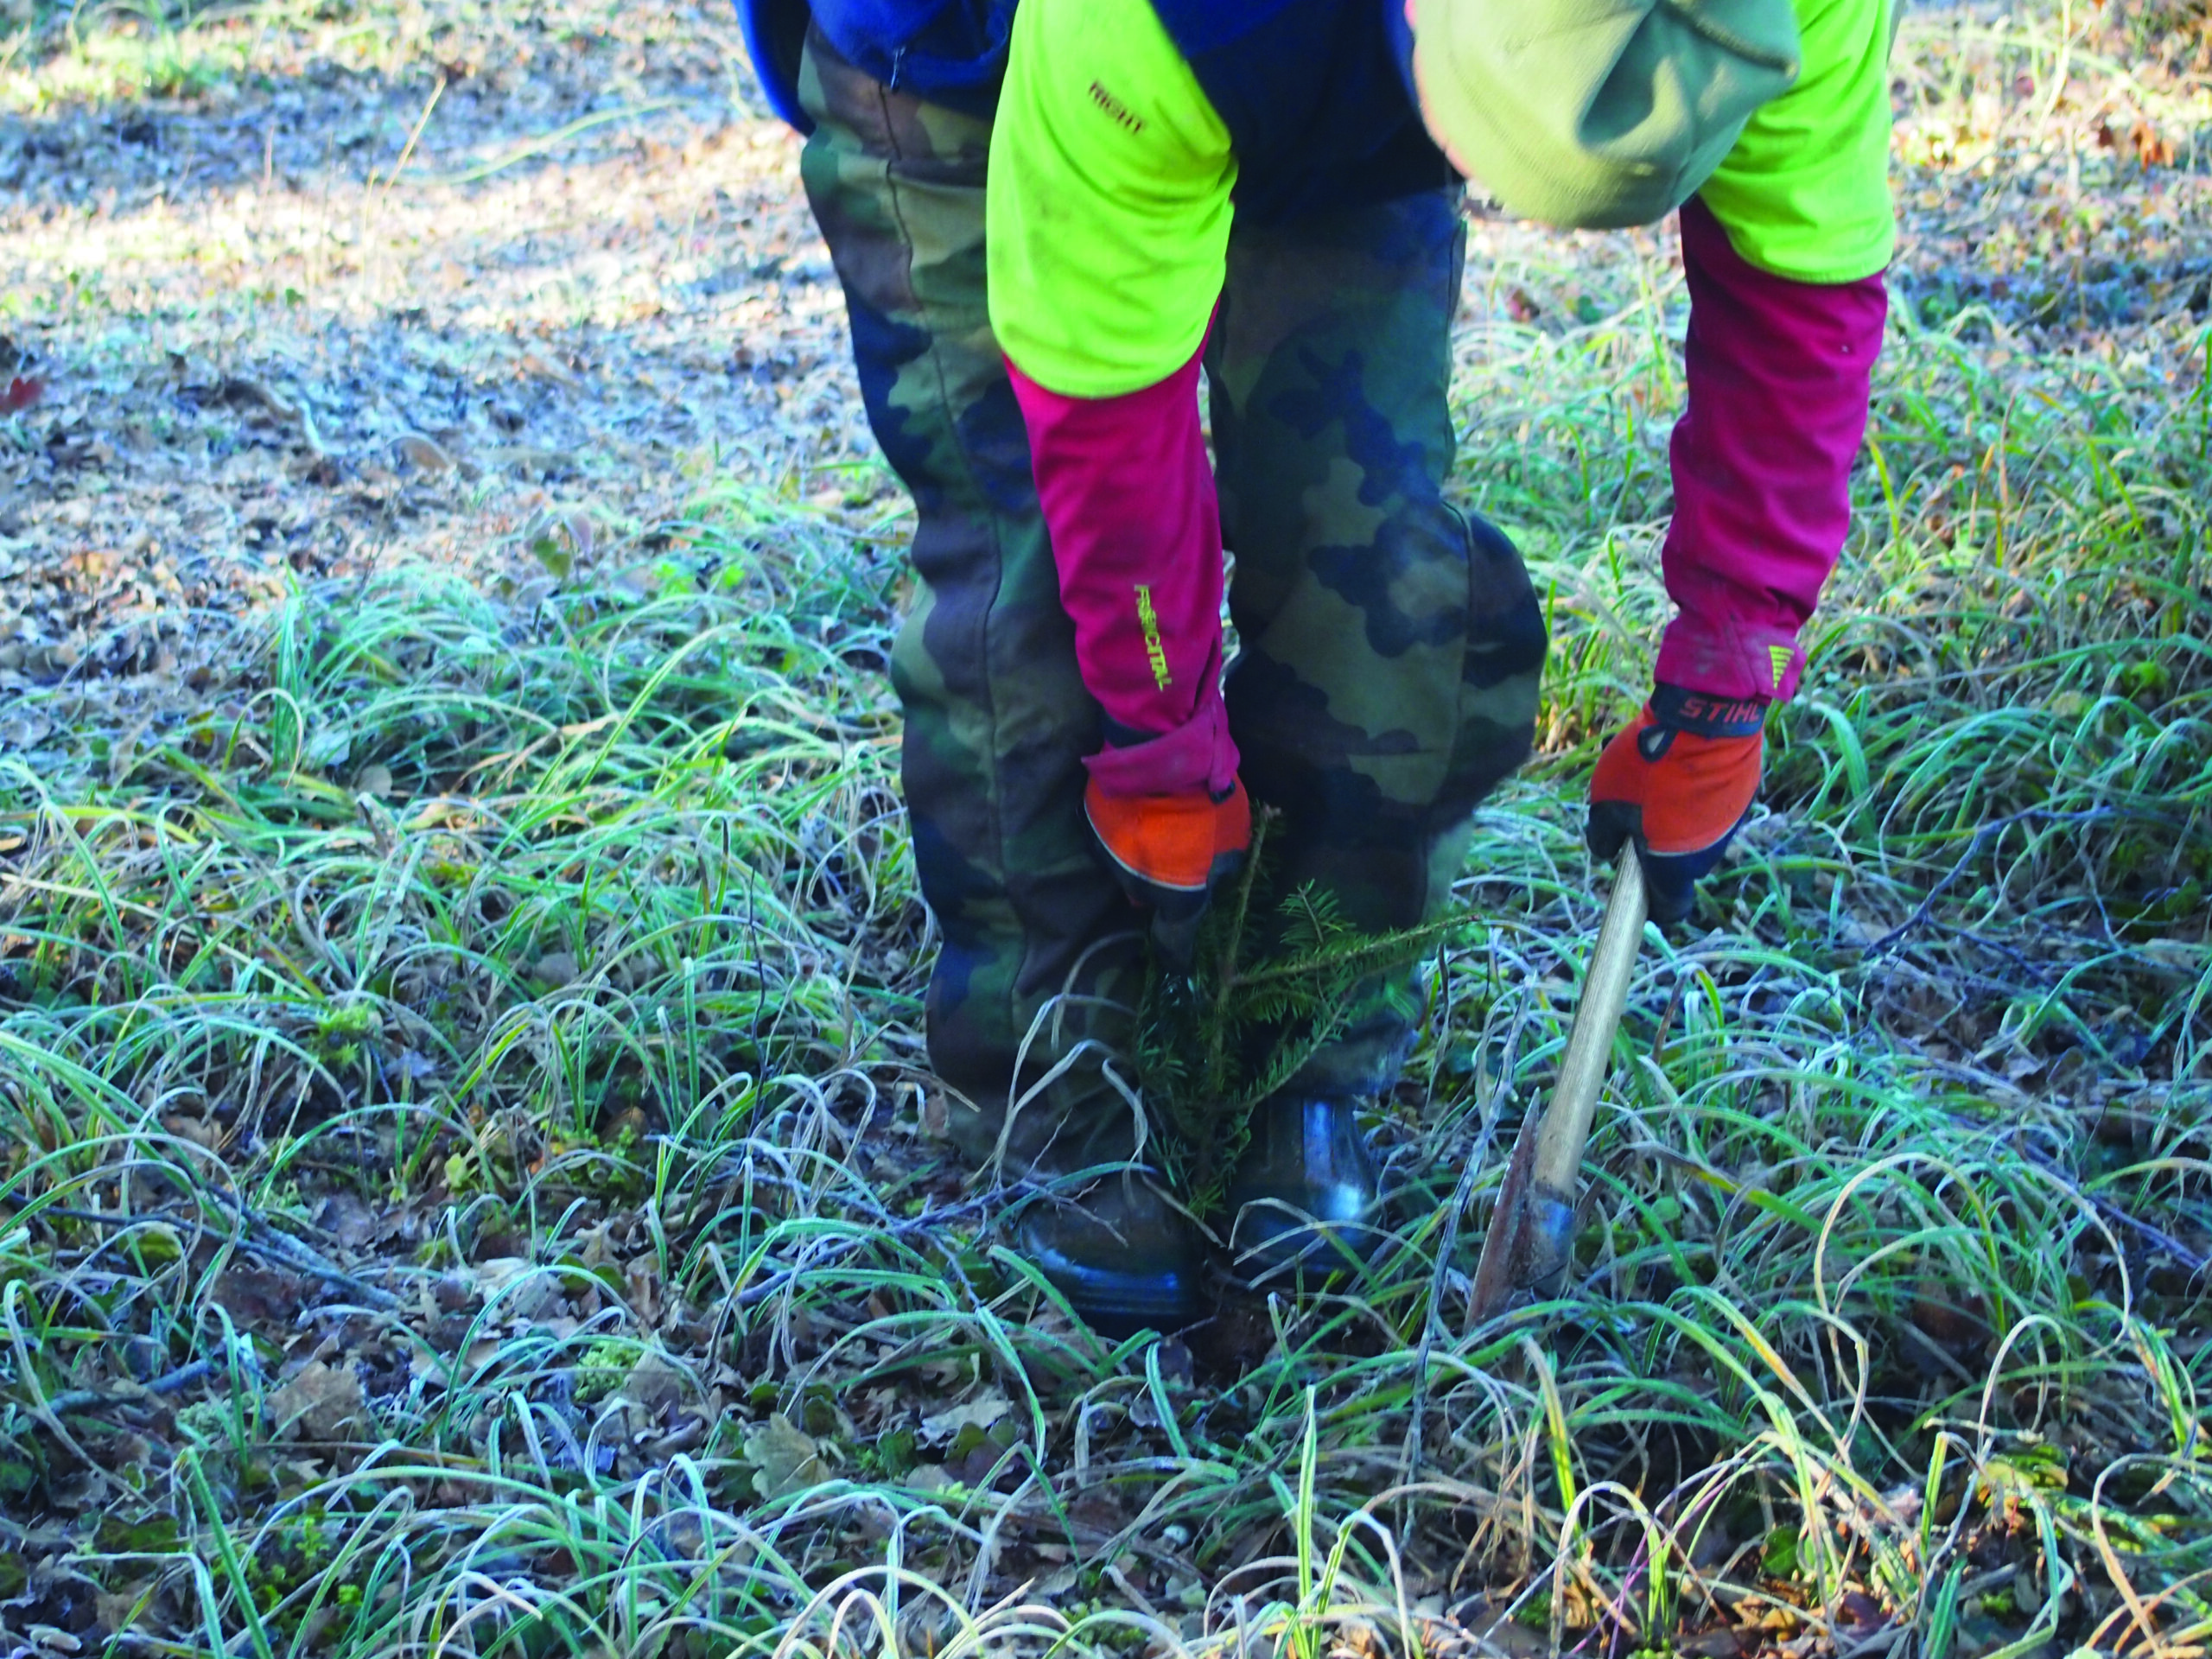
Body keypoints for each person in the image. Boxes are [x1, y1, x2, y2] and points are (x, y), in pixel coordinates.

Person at [739, 0, 1895, 1329]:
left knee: (1379, 548)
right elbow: (1101, 413)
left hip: (1333, 92)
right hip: (971, 62)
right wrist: (1162, 741)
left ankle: (1308, 1052)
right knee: (1034, 580)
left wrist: (1731, 657)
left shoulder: (1802, 14)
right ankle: (1059, 1076)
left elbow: (1800, 277)